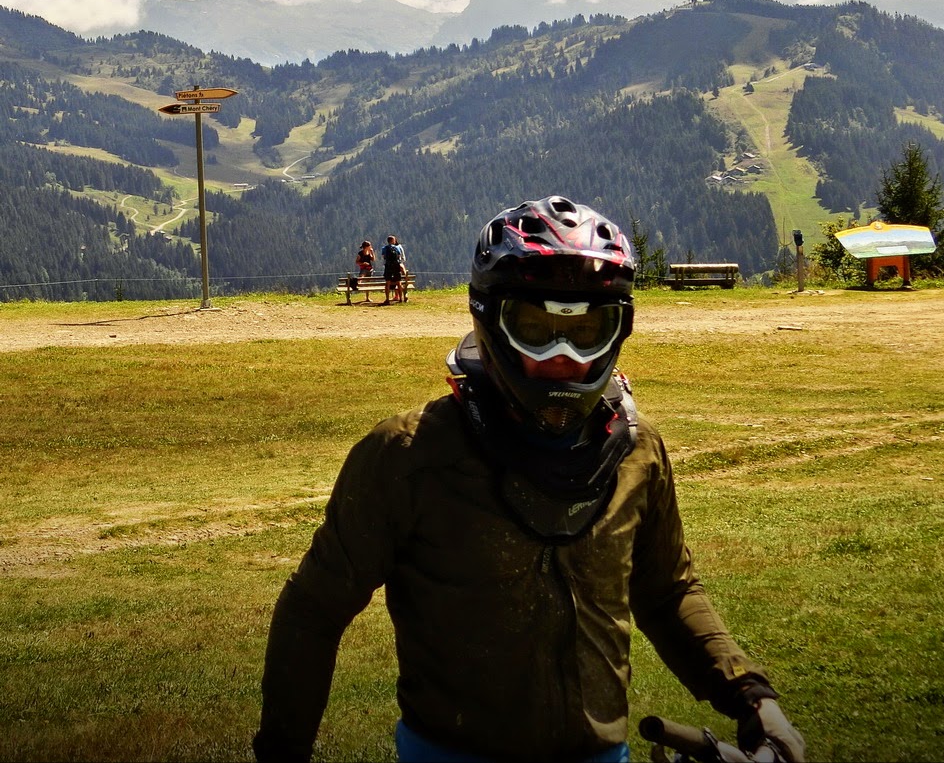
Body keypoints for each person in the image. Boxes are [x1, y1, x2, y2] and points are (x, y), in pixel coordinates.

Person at [253, 196, 806, 763]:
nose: (562, 356)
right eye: (535, 328)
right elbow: (314, 609)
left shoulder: (637, 453)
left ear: (620, 329)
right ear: (488, 320)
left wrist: (753, 699)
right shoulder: (409, 456)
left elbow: (667, 592)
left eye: (587, 330)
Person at [381, 234, 406, 304]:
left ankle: (387, 299)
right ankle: (401, 299)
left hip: (388, 267)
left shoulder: (384, 248)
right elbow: (399, 256)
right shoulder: (397, 247)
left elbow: (384, 257)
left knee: (387, 283)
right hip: (396, 267)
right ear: (393, 241)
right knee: (399, 283)